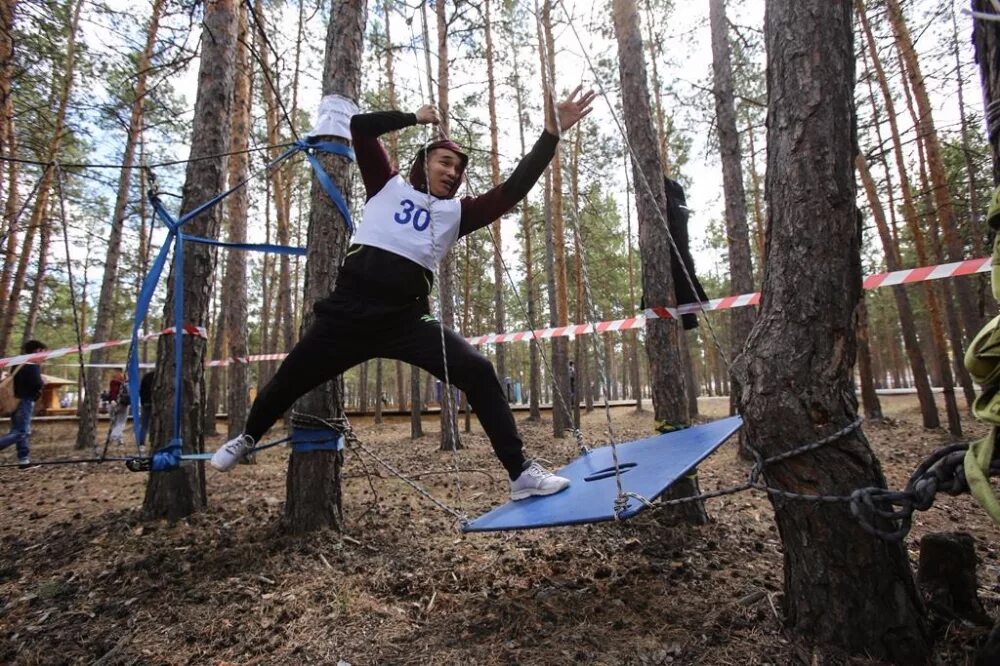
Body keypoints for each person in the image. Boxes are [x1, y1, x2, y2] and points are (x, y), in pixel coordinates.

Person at [212, 88, 596, 501]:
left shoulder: (457, 213)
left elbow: (515, 187)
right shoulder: (386, 185)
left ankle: (519, 473)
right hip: (347, 314)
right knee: (291, 376)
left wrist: (550, 134)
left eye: (459, 169)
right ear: (421, 162)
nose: (453, 173)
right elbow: (360, 127)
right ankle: (249, 436)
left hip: (406, 320)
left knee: (478, 370)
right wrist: (415, 117)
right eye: (445, 162)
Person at [0, 340, 47, 468]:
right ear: (37, 351)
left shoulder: (18, 363)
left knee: (19, 430)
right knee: (21, 432)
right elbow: (36, 384)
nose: (45, 356)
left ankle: (24, 460)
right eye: (44, 352)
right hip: (25, 400)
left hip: (15, 400)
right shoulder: (32, 364)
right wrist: (43, 382)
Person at [137, 370, 155, 449]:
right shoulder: (155, 376)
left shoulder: (147, 376)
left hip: (147, 403)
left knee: (144, 424)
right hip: (153, 403)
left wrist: (144, 402)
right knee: (151, 424)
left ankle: (142, 443)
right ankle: (149, 441)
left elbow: (141, 391)